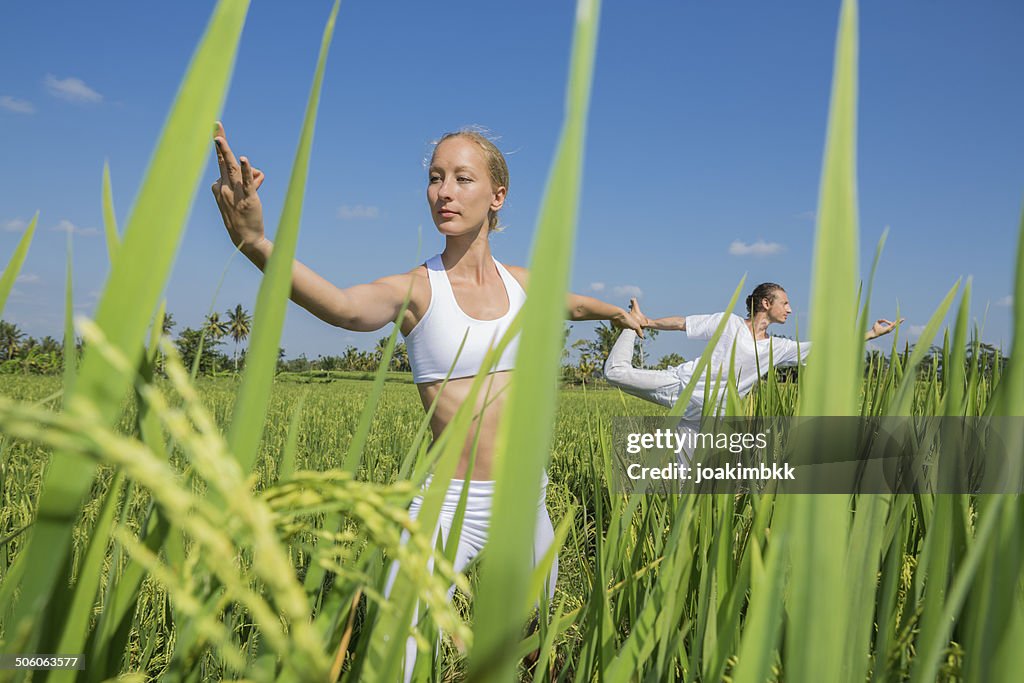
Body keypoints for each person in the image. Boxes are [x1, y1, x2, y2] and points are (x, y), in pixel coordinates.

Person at [210, 122, 643, 679]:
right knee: (399, 655)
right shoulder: (418, 290)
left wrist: (618, 313)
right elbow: (343, 307)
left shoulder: (523, 285)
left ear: (497, 196)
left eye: (463, 178)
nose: (444, 191)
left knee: (535, 649)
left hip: (525, 503)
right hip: (448, 508)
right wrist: (257, 244)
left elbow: (575, 305)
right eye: (436, 178)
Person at [603, 284, 901, 424]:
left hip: (710, 416)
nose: (790, 309)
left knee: (692, 485)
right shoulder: (728, 324)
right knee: (614, 373)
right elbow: (683, 324)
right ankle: (629, 325)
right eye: (784, 303)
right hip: (682, 387)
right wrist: (645, 322)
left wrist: (872, 334)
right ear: (765, 303)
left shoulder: (777, 348)